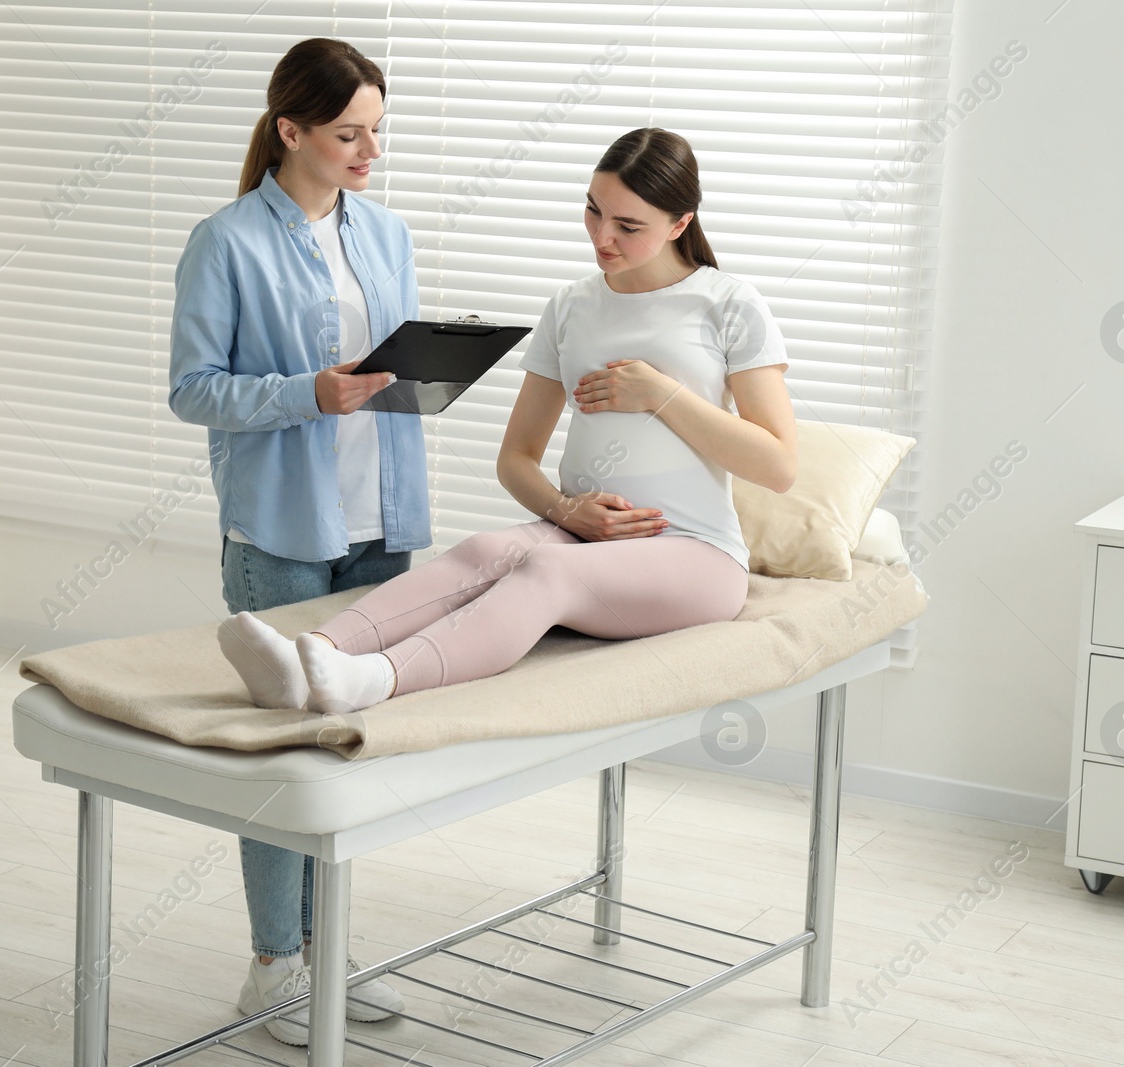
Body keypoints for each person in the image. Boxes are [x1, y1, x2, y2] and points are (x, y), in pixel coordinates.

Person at [219, 127, 797, 739]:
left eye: (629, 226)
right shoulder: (572, 305)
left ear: (680, 224)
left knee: (547, 574)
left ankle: (376, 677)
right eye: (594, 211)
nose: (603, 237)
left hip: (697, 553)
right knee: (482, 552)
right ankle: (306, 655)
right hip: (584, 538)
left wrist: (662, 394)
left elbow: (778, 465)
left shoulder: (728, 303)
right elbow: (517, 458)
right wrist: (565, 511)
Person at [167, 38, 417, 1047]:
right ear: (291, 131)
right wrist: (305, 393)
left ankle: (331, 942)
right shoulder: (224, 241)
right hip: (279, 529)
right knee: (281, 750)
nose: (368, 152)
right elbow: (194, 391)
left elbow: (388, 366)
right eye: (349, 133)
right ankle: (274, 957)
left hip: (378, 525)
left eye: (376, 133)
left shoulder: (387, 232)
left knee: (350, 747)